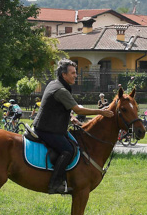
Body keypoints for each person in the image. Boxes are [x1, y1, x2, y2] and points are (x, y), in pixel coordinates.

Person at [33, 59, 114, 194]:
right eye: (73, 73)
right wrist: (100, 111)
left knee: (74, 144)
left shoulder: (54, 84)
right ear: (64, 75)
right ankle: (55, 183)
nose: (76, 75)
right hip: (47, 129)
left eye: (75, 72)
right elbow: (78, 109)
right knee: (68, 150)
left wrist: (71, 119)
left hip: (50, 126)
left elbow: (55, 108)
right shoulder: (61, 90)